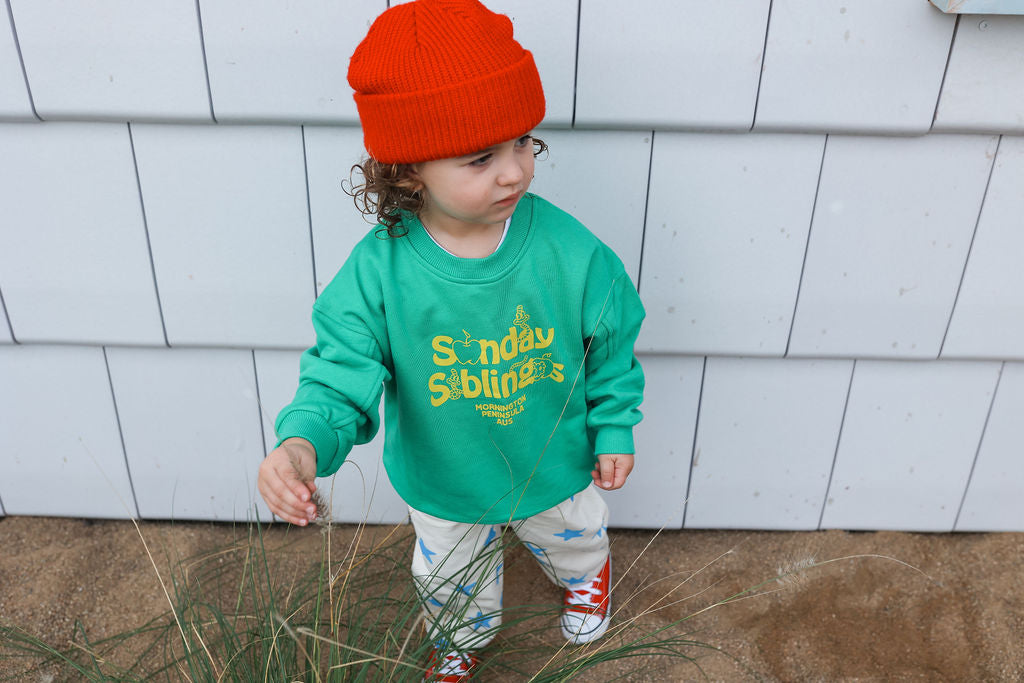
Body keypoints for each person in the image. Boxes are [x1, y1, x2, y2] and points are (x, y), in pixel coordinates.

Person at [257, 0, 645, 679]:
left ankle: (587, 577)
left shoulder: (569, 252)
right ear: (408, 169)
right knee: (451, 578)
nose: (514, 172)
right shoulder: (380, 271)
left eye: (524, 141)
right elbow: (338, 372)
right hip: (446, 473)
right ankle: (460, 636)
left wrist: (613, 425)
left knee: (573, 534)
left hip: (550, 455)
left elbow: (611, 338)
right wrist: (301, 444)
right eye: (480, 157)